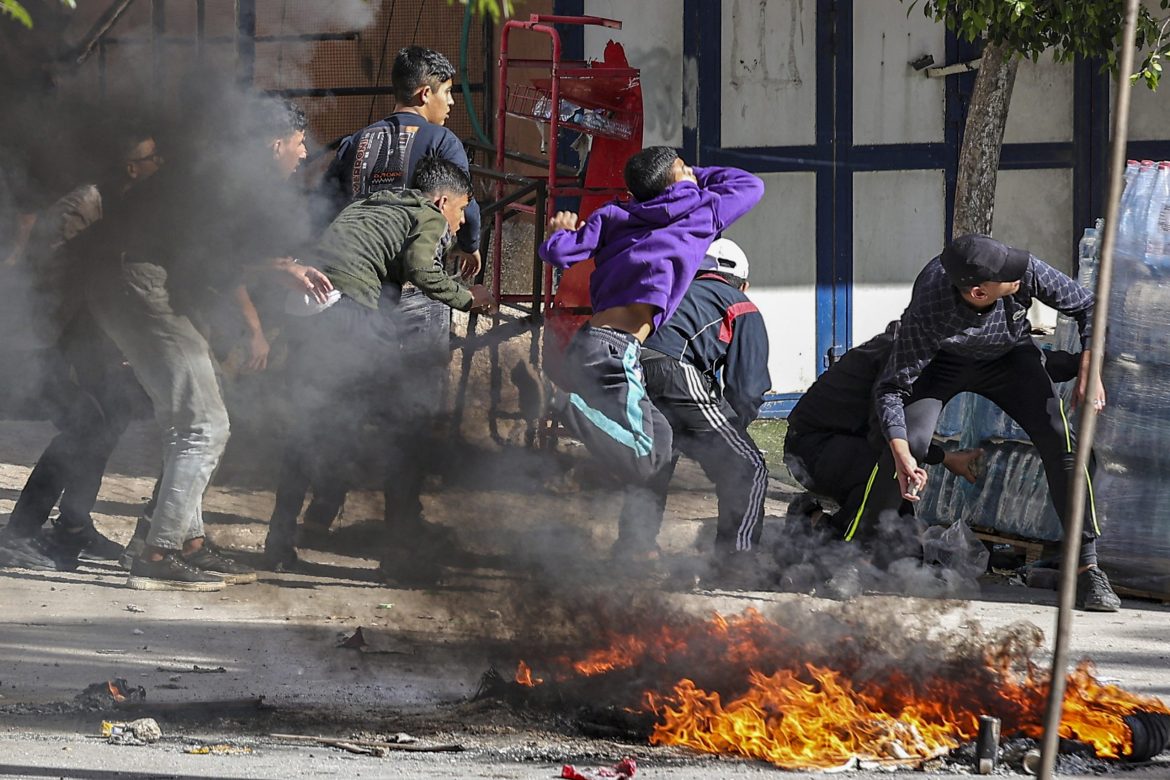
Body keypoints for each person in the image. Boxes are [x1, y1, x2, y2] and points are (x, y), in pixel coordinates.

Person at [87, 99, 331, 591]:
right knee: (204, 423)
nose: (304, 155)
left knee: (193, 414)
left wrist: (277, 269)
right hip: (139, 283)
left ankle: (186, 540)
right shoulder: (232, 178)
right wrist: (279, 270)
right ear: (275, 142)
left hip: (129, 283)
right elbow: (209, 255)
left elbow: (207, 257)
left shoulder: (220, 172)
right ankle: (158, 553)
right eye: (300, 143)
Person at [858, 233, 1120, 611]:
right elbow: (892, 388)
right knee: (908, 440)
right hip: (942, 362)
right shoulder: (929, 307)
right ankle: (859, 549)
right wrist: (901, 452)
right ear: (978, 292)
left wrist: (1089, 366)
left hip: (1011, 357)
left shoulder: (1021, 268)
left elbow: (1088, 306)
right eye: (1009, 274)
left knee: (1063, 443)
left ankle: (1087, 567)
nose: (1021, 272)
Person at [264, 157, 495, 580]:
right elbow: (422, 268)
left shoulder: (368, 204)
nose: (461, 223)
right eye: (461, 209)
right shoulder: (428, 215)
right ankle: (401, 560)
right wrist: (469, 297)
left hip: (306, 315)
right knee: (404, 433)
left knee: (309, 432)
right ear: (442, 200)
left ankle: (278, 545)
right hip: (349, 314)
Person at [514, 147, 764, 530]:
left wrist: (557, 233)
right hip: (616, 352)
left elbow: (559, 252)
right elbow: (749, 184)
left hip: (592, 342)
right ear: (679, 174)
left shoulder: (615, 214)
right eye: (684, 168)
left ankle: (636, 549)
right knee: (647, 457)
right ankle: (556, 399)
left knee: (660, 442)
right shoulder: (701, 213)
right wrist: (688, 174)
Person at [0, 127, 162, 571]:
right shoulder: (84, 205)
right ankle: (19, 532)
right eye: (152, 161)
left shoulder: (117, 203)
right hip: (43, 337)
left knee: (115, 410)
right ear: (132, 167)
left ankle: (72, 523)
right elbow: (55, 280)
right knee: (84, 422)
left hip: (82, 336)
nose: (159, 169)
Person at [616, 238, 771, 571]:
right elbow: (747, 387)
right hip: (673, 369)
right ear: (743, 283)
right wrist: (730, 436)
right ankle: (736, 562)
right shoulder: (741, 304)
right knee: (748, 466)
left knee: (656, 458)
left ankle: (635, 550)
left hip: (625, 365)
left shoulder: (673, 289)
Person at [784, 321, 1005, 551]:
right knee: (885, 476)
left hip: (844, 444)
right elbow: (885, 434)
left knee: (903, 541)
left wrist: (946, 458)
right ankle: (832, 538)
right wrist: (943, 457)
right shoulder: (902, 358)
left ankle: (845, 538)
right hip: (811, 449)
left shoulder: (916, 346)